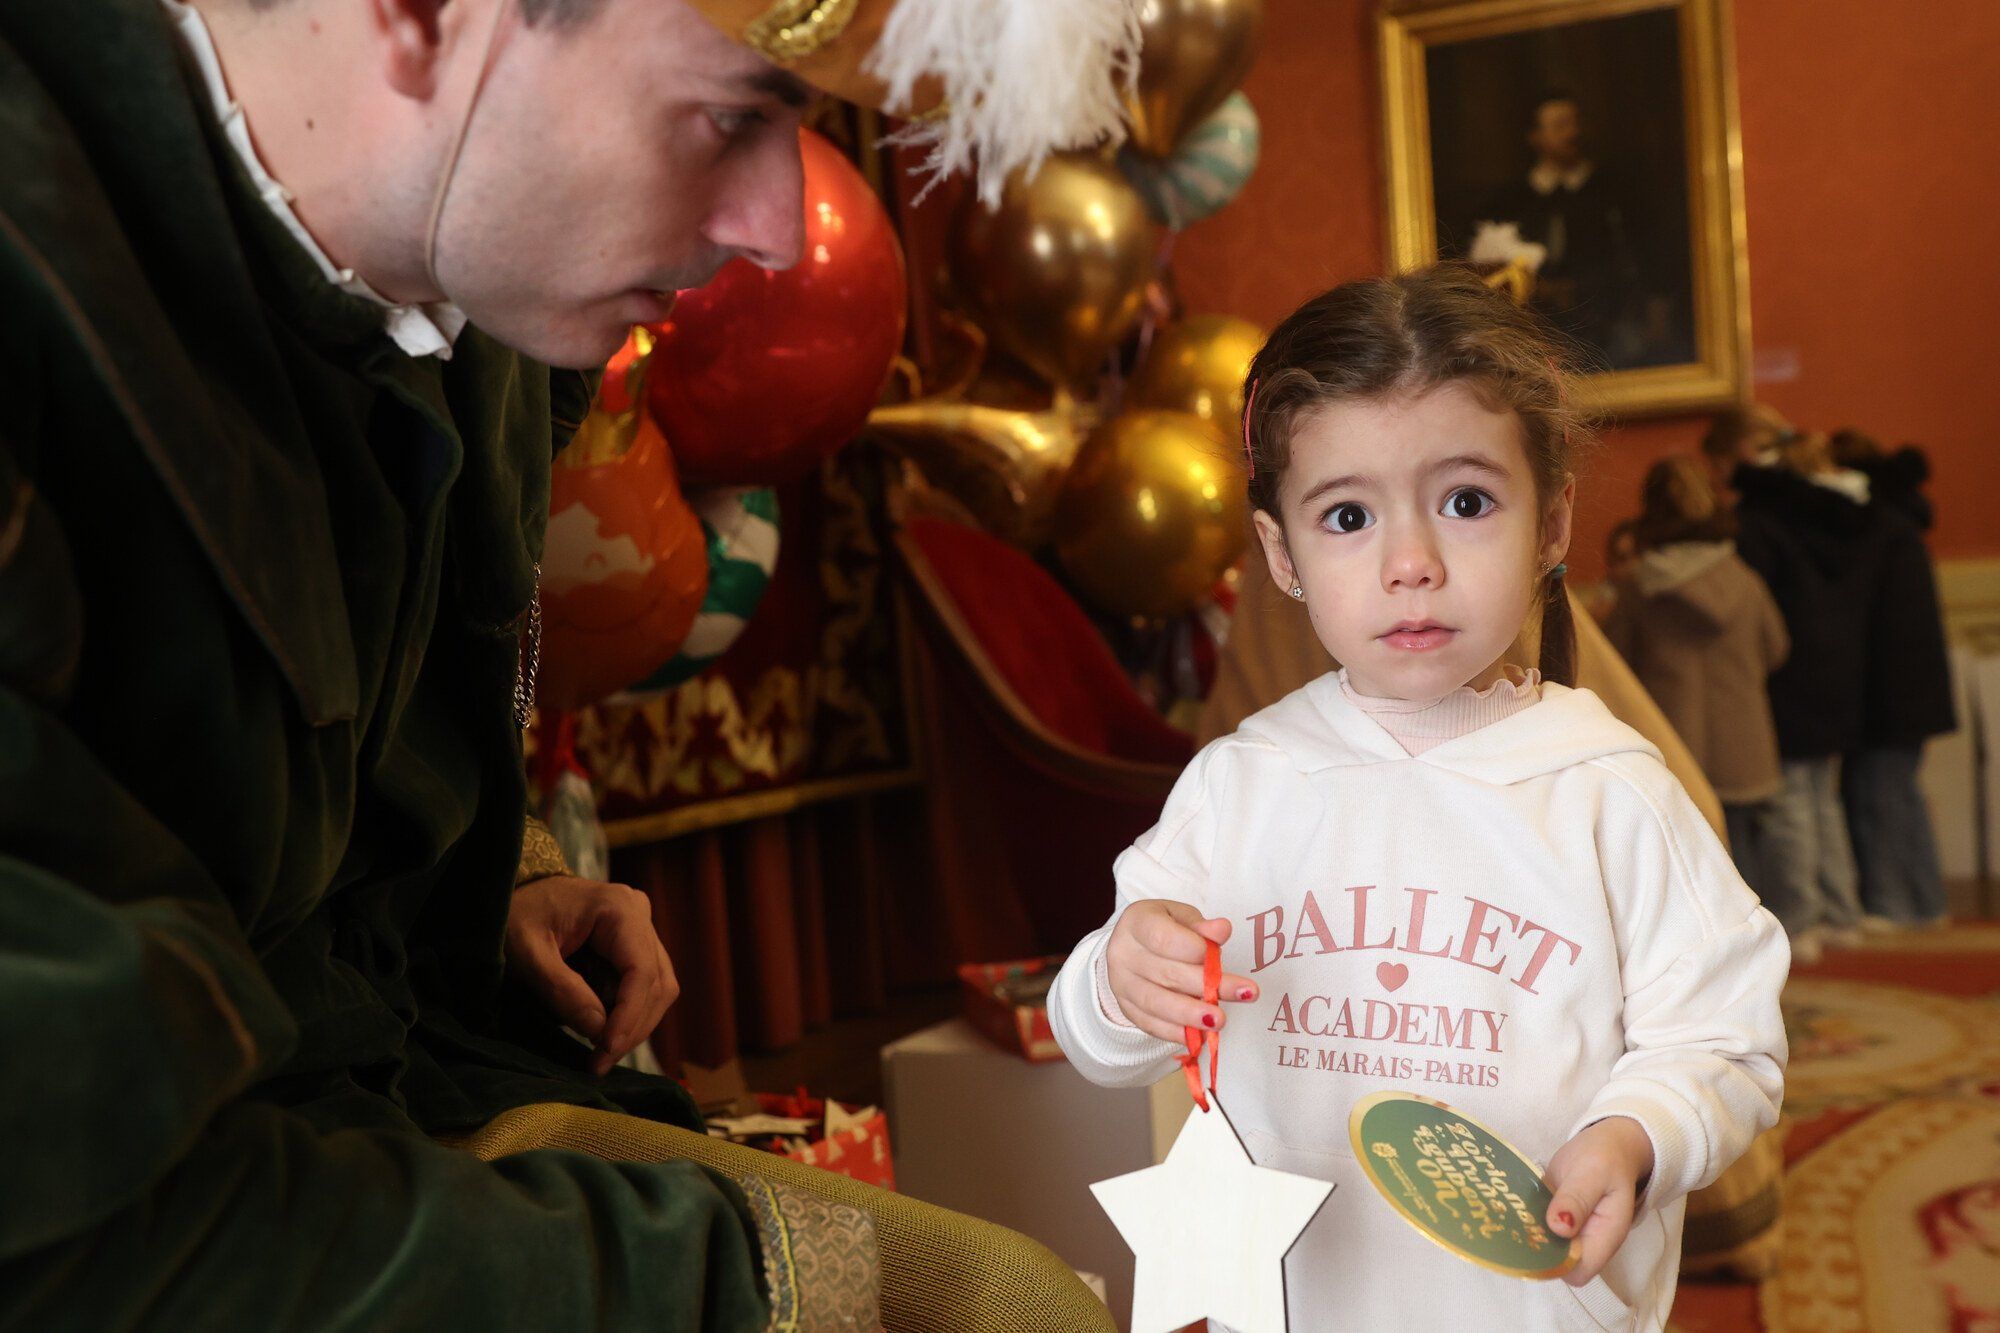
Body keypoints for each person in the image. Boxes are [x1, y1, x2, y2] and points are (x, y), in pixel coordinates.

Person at [0, 0, 1135, 1325]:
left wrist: (488, 867)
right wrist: (763, 1289)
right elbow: (72, 1230)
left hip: (381, 1075)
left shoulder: (472, 271)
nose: (777, 225)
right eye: (734, 117)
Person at [1049, 267, 1788, 1331]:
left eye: (1465, 501)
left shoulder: (1605, 789)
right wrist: (1122, 978)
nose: (1409, 562)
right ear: (1280, 554)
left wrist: (1634, 1134)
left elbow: (1721, 1041)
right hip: (1298, 1306)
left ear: (1549, 523)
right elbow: (1097, 1036)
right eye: (1345, 514)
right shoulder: (1240, 783)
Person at [1604, 456, 1789, 917]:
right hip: (1744, 740)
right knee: (1751, 858)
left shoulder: (1638, 588)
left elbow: (1615, 669)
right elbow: (1777, 649)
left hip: (1674, 742)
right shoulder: (1744, 582)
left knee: (1690, 867)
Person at [1826, 430, 1957, 925]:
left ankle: (1895, 903)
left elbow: (1863, 613)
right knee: (1896, 793)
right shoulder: (1899, 520)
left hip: (1890, 690)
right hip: (1909, 687)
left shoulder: (1876, 527)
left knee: (1881, 796)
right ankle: (1924, 902)